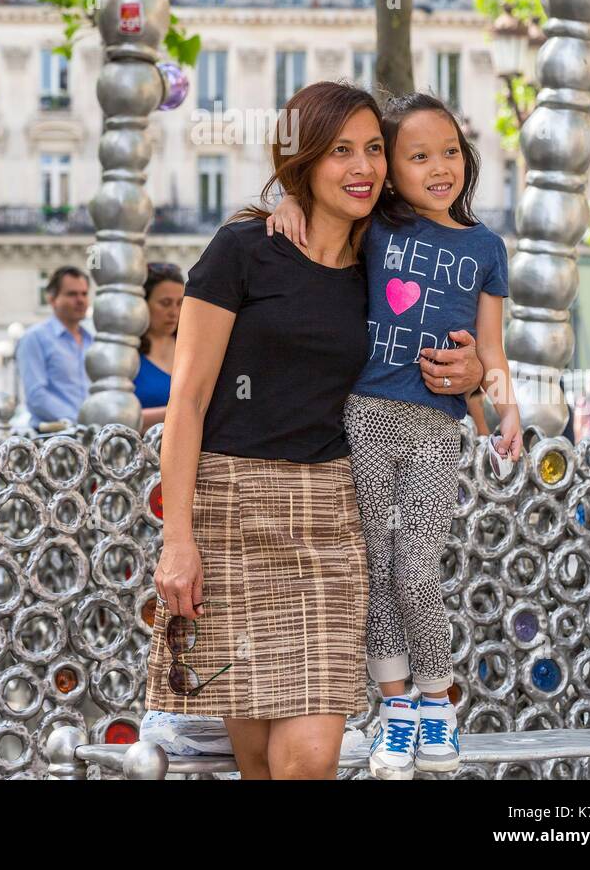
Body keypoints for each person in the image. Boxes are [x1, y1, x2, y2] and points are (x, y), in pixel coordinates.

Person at [144, 82, 483, 781]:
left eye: (372, 152)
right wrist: (178, 538)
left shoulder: (391, 262)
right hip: (231, 513)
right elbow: (189, 398)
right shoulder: (243, 249)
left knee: (306, 760)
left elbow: (457, 341)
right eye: (339, 152)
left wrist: (473, 368)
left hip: (331, 520)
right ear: (302, 160)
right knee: (260, 765)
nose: (362, 167)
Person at [270, 89, 522, 781]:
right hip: (366, 418)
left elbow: (492, 352)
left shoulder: (485, 246)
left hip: (437, 428)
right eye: (417, 155)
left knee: (415, 568)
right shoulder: (375, 230)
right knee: (376, 570)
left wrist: (506, 411)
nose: (439, 166)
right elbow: (317, 218)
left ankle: (438, 700)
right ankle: (396, 713)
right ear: (393, 171)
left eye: (450, 152)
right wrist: (284, 204)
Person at [15, 266, 91, 429]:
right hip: (54, 440)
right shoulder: (35, 338)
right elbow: (36, 396)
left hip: (91, 436)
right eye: (72, 294)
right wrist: (80, 420)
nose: (80, 300)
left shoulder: (92, 340)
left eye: (84, 294)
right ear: (52, 299)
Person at [134, 262, 184, 430]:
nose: (174, 312)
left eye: (180, 303)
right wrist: (181, 412)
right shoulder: (126, 355)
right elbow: (115, 417)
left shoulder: (189, 349)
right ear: (143, 304)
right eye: (165, 303)